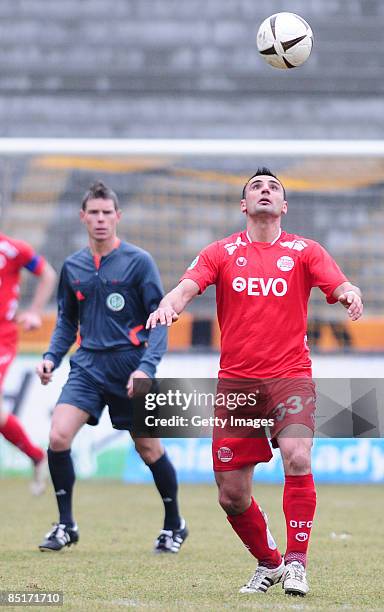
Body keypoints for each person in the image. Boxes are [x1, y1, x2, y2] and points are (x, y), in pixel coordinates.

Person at [146, 168, 363, 597]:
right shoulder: (221, 252)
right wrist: (168, 306)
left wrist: (350, 293)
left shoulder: (305, 251)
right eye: (256, 188)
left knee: (298, 456)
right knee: (231, 494)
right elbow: (185, 288)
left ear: (284, 206)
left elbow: (339, 283)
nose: (266, 191)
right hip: (237, 386)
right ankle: (270, 563)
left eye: (274, 188)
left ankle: (298, 563)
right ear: (244, 205)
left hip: (290, 376)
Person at [36, 180, 187, 553]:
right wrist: (51, 357)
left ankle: (174, 524)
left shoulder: (139, 262)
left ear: (117, 216)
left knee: (149, 450)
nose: (101, 219)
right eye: (94, 213)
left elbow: (160, 319)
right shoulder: (73, 267)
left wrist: (147, 369)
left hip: (131, 368)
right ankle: (65, 525)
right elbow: (67, 322)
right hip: (87, 368)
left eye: (107, 213)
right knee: (57, 438)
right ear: (83, 217)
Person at [0, 231, 56, 495]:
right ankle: (36, 456)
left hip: (3, 336)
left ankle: (37, 457)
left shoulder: (12, 249)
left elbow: (48, 274)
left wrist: (34, 311)